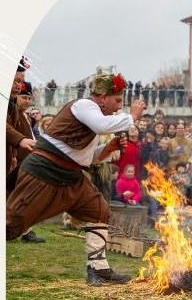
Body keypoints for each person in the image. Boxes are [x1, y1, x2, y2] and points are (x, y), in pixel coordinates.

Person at [6, 73, 147, 286]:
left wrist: (108, 148)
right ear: (102, 96)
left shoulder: (91, 118)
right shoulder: (84, 106)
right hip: (44, 174)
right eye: (117, 100)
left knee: (99, 210)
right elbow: (102, 125)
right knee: (10, 226)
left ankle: (98, 269)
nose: (119, 107)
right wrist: (132, 117)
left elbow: (83, 158)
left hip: (70, 177)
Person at [6, 59, 45, 243]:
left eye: (19, 82)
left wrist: (13, 156)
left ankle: (22, 229)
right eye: (14, 81)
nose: (17, 86)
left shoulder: (13, 107)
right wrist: (20, 140)